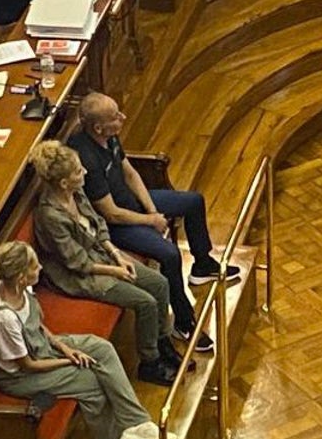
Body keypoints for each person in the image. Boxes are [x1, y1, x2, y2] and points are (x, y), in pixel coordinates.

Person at [69, 93, 240, 353]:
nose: (122, 118)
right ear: (98, 127)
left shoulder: (109, 135)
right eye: (116, 117)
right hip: (118, 227)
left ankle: (202, 265)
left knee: (193, 202)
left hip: (136, 208)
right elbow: (111, 213)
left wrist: (152, 210)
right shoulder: (86, 158)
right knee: (170, 255)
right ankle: (184, 322)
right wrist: (150, 221)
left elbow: (130, 172)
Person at [0, 240, 175, 439]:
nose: (41, 268)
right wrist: (70, 360)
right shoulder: (2, 318)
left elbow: (37, 326)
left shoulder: (18, 287)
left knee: (102, 349)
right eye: (35, 266)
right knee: (91, 381)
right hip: (20, 376)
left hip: (41, 347)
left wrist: (65, 348)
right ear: (21, 277)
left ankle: (136, 421)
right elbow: (28, 365)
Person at [29, 141, 185, 387]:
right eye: (79, 171)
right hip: (80, 275)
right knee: (145, 302)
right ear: (63, 182)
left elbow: (98, 224)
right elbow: (76, 262)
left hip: (103, 256)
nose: (86, 173)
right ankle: (150, 362)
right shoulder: (49, 216)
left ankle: (162, 342)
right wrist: (115, 270)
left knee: (159, 283)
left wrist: (117, 254)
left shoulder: (76, 192)